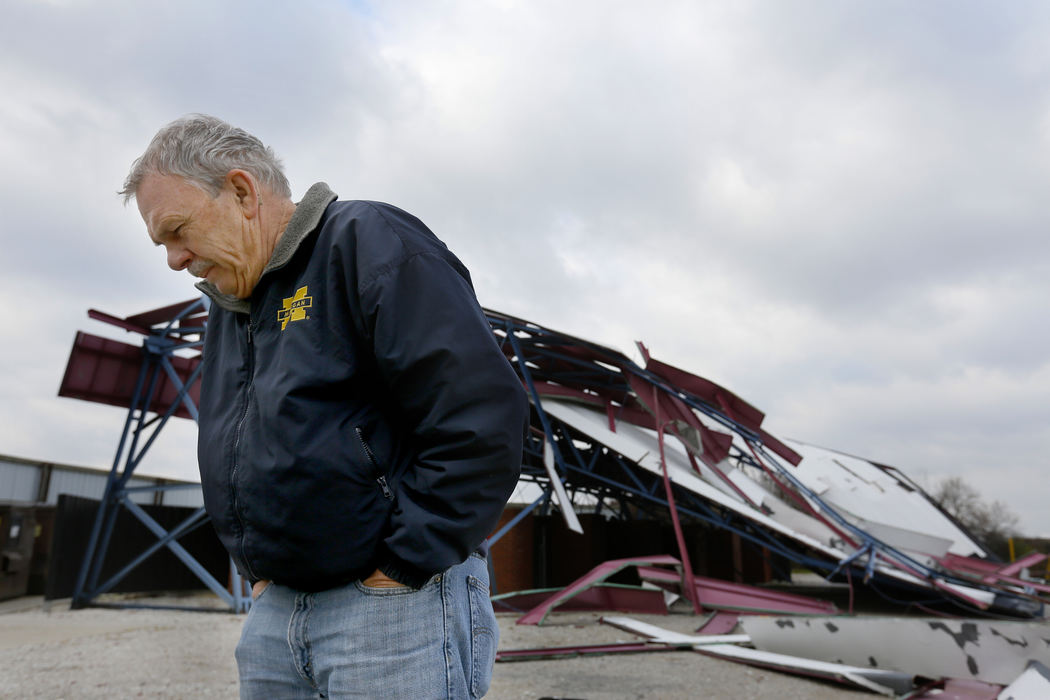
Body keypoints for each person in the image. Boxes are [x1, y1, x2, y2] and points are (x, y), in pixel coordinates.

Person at [121, 114, 527, 699]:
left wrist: (404, 563)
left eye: (178, 231)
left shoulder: (365, 241)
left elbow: (479, 413)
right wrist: (259, 574)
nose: (175, 260)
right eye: (163, 245)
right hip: (274, 611)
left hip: (388, 605)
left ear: (241, 191)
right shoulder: (233, 302)